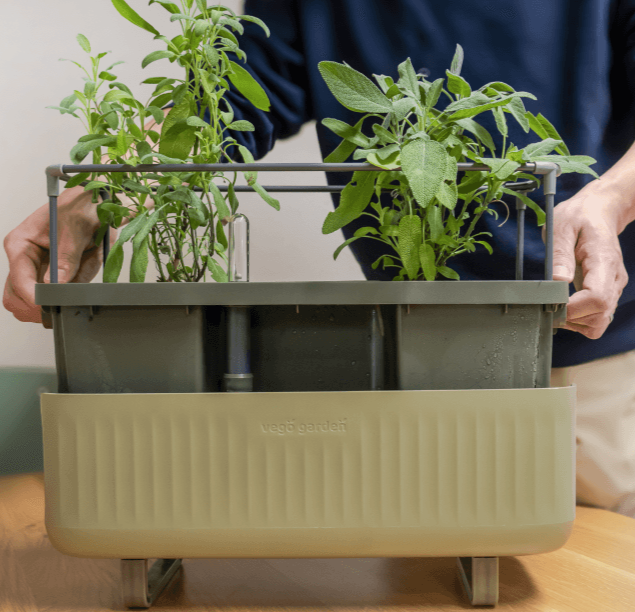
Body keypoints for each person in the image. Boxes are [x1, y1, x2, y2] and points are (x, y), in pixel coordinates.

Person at [4, 0, 635, 516]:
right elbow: (235, 96)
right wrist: (107, 186)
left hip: (592, 349)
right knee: (423, 584)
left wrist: (610, 197)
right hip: (409, 361)